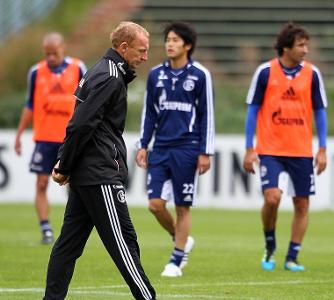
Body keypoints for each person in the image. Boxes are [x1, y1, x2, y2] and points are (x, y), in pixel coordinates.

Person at [44, 22, 156, 299]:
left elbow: (77, 122)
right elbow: (81, 125)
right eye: (141, 51)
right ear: (124, 48)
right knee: (124, 244)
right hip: (100, 175)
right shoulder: (110, 77)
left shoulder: (98, 70)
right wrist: (65, 164)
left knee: (67, 247)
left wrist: (65, 163)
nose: (145, 57)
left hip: (87, 174)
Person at [243, 22, 328, 272]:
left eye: (306, 44)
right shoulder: (265, 72)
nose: (306, 49)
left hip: (301, 150)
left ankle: (292, 256)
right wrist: (250, 148)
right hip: (270, 149)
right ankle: (270, 245)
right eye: (301, 45)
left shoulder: (312, 74)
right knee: (273, 198)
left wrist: (322, 148)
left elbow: (320, 111)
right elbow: (252, 110)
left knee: (302, 204)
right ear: (286, 47)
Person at [135, 22, 215, 278]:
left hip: (188, 148)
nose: (169, 43)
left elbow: (206, 115)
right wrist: (143, 144)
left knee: (182, 206)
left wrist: (205, 152)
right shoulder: (156, 75)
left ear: (187, 46)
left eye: (175, 40)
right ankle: (180, 238)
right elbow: (149, 113)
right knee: (155, 205)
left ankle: (176, 260)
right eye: (168, 39)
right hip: (160, 148)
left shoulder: (200, 75)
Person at [14, 32, 86, 245]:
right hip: (44, 138)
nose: (51, 58)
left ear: (63, 47)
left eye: (54, 53)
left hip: (69, 137)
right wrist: (19, 134)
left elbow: (87, 101)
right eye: (47, 54)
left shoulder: (78, 67)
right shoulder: (36, 72)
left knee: (74, 184)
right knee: (42, 182)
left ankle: (75, 228)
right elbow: (30, 105)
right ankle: (46, 229)